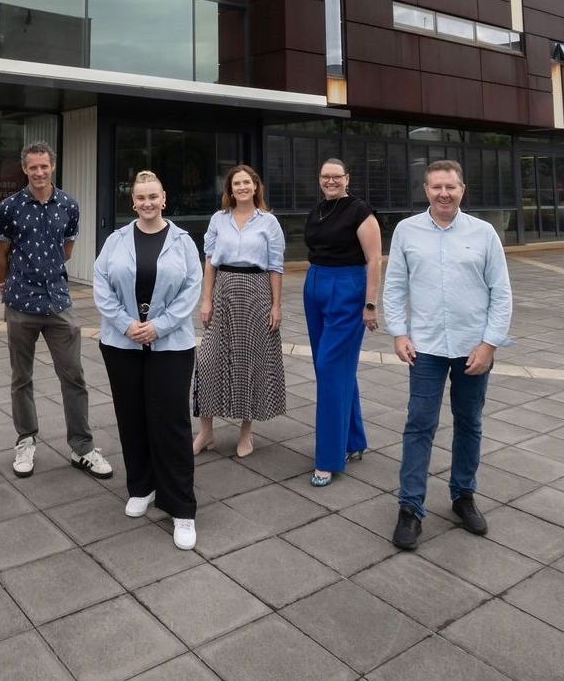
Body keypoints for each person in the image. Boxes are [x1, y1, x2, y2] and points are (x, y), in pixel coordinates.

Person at [384, 159, 513, 550]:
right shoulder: (407, 231)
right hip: (425, 348)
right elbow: (394, 288)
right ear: (426, 190)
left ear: (462, 189)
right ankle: (410, 508)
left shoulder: (484, 232)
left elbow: (501, 293)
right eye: (437, 186)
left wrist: (490, 343)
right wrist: (398, 333)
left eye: (451, 187)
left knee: (469, 422)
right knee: (419, 424)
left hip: (473, 347)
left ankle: (463, 496)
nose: (444, 193)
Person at [94, 171, 202, 550]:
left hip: (170, 344)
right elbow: (100, 286)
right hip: (122, 343)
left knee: (170, 421)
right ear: (133, 202)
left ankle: (181, 507)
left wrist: (158, 326)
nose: (147, 203)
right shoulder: (116, 241)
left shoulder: (183, 242)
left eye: (153, 196)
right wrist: (127, 325)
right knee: (132, 415)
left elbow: (192, 288)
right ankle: (141, 486)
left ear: (164, 197)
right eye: (140, 197)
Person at [0, 141, 113, 480]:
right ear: (24, 168)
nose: (39, 172)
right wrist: (4, 288)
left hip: (59, 303)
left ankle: (82, 447)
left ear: (53, 166)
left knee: (74, 376)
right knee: (21, 379)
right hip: (20, 304)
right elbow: (0, 255)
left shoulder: (69, 205)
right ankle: (26, 439)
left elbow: (68, 249)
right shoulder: (9, 207)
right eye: (33, 167)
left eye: (44, 166)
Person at [192, 164, 287, 458]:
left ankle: (246, 431)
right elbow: (210, 262)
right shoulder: (219, 220)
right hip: (224, 289)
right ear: (230, 189)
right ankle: (205, 431)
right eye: (237, 183)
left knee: (250, 360)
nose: (242, 187)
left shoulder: (269, 222)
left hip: (257, 290)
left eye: (247, 182)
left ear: (256, 186)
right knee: (208, 360)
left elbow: (275, 267)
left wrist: (276, 304)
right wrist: (205, 300)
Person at [303, 158, 382, 487]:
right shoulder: (318, 210)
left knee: (331, 368)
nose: (331, 181)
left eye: (337, 176)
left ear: (347, 178)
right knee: (333, 369)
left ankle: (328, 459)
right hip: (315, 286)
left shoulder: (359, 211)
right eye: (325, 176)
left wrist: (370, 304)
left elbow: (374, 259)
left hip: (347, 289)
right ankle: (353, 440)